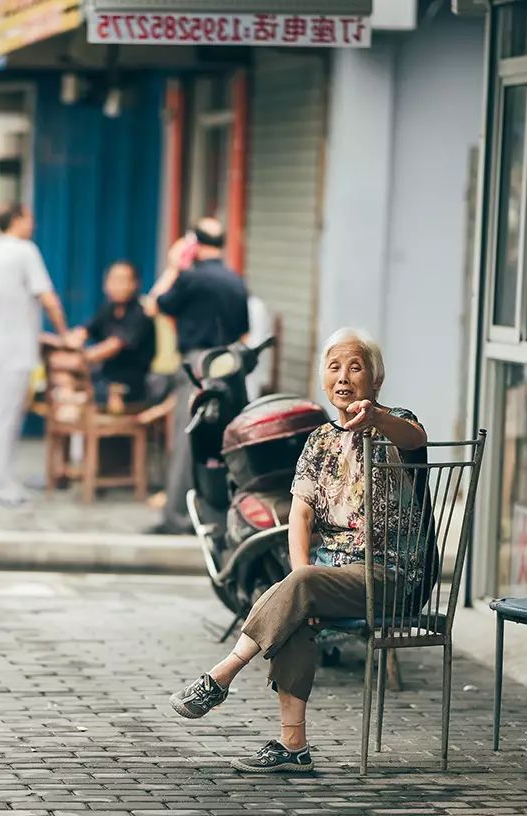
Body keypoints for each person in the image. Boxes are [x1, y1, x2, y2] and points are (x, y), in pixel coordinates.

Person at [167, 328, 430, 773]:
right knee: (295, 599)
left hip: (390, 575)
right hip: (331, 577)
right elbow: (301, 517)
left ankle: (222, 675)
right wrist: (302, 576)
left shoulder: (394, 422)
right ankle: (294, 748)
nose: (344, 376)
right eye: (334, 367)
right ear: (324, 380)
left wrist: (377, 418)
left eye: (355, 366)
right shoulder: (319, 441)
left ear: (375, 379)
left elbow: (416, 439)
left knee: (300, 585)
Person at [144, 217, 250, 534]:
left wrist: (175, 264)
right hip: (230, 366)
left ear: (194, 243)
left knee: (188, 438)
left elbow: (154, 304)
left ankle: (178, 518)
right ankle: (219, 520)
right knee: (223, 443)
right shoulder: (235, 280)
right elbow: (244, 330)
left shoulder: (190, 278)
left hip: (198, 366)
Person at [0, 203, 70, 506]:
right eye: (30, 218)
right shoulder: (24, 251)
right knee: (6, 419)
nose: (33, 224)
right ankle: (1, 486)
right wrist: (65, 334)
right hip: (15, 350)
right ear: (16, 220)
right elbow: (47, 298)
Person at [58, 260, 157, 407]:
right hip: (104, 375)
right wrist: (68, 343)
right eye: (113, 280)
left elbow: (113, 346)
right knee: (64, 382)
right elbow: (84, 331)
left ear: (135, 284)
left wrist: (80, 358)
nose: (117, 285)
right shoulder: (107, 310)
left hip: (131, 381)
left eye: (122, 280)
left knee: (105, 391)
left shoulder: (141, 313)